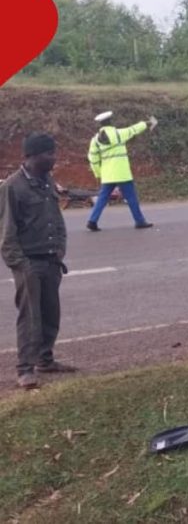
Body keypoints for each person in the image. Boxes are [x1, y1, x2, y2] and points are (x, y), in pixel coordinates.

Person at [0, 133, 77, 389]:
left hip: (51, 259)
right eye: (49, 153)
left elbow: (56, 218)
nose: (54, 158)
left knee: (50, 313)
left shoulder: (47, 181)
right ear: (32, 156)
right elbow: (7, 233)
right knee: (29, 317)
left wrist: (60, 248)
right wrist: (21, 264)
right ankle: (25, 369)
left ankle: (45, 360)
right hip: (28, 262)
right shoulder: (12, 187)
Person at [86, 111, 156, 231]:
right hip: (122, 174)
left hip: (107, 175)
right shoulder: (119, 133)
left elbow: (93, 159)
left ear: (100, 124)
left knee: (102, 198)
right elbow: (133, 129)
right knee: (131, 198)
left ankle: (92, 221)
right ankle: (139, 221)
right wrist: (146, 123)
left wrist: (98, 173)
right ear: (110, 121)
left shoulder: (95, 140)